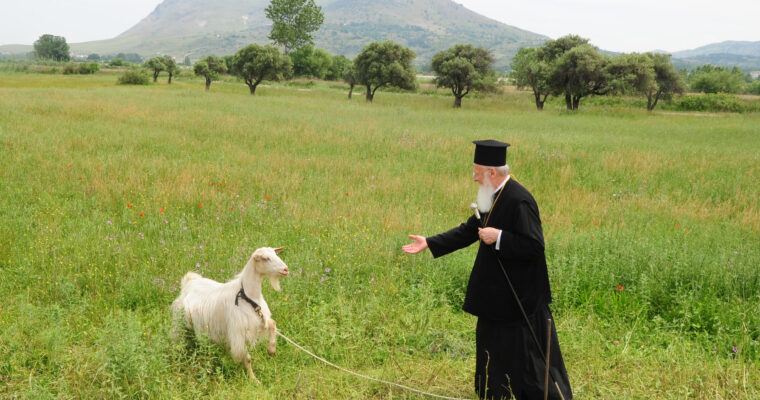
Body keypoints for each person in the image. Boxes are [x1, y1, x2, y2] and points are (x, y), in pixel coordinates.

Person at [402, 140, 572, 400]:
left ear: (492, 172)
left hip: (519, 301)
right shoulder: (490, 197)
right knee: (492, 351)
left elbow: (535, 245)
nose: (473, 178)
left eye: (476, 171)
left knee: (524, 361)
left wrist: (500, 236)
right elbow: (470, 230)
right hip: (495, 299)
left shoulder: (519, 199)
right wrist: (430, 242)